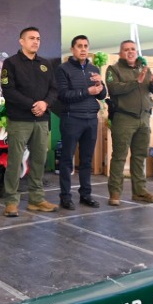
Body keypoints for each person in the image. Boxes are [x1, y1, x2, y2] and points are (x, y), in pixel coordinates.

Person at [1, 27, 58, 217]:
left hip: (42, 120)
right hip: (19, 120)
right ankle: (11, 201)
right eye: (31, 38)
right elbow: (8, 90)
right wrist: (32, 104)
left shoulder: (45, 64)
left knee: (39, 161)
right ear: (22, 41)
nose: (35, 41)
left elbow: (54, 89)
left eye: (38, 38)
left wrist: (45, 103)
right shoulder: (11, 63)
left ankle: (36, 200)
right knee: (15, 161)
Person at [106, 40, 153, 206]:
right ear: (120, 53)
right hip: (123, 118)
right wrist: (135, 81)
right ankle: (115, 193)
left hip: (144, 119)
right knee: (119, 157)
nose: (130, 52)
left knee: (140, 156)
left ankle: (140, 192)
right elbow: (114, 88)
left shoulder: (144, 69)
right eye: (126, 49)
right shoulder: (113, 69)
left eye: (133, 49)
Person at [55, 35, 107, 210]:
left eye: (86, 46)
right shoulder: (63, 69)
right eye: (79, 46)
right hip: (72, 119)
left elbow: (101, 95)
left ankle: (86, 194)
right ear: (72, 49)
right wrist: (87, 91)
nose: (83, 49)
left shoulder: (94, 68)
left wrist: (100, 84)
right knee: (67, 160)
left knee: (87, 160)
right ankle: (65, 197)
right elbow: (63, 95)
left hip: (91, 119)